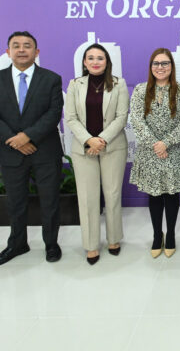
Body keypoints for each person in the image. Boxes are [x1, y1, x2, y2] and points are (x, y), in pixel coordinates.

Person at [0, 31, 64, 267]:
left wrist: (27, 136)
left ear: (36, 52)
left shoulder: (51, 78)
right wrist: (13, 139)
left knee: (50, 201)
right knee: (15, 202)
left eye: (27, 46)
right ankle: (17, 244)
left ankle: (51, 244)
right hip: (11, 151)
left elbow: (53, 113)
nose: (21, 50)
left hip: (45, 150)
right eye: (16, 45)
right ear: (8, 52)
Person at [64, 43, 129, 265]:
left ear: (107, 61)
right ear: (84, 62)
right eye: (90, 58)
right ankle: (91, 245)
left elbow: (122, 116)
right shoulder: (75, 84)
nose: (95, 62)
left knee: (112, 195)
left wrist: (101, 140)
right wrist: (88, 140)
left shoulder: (119, 84)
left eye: (100, 58)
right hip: (83, 149)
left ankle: (114, 239)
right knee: (88, 198)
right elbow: (70, 117)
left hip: (113, 146)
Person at [129, 48, 180, 258]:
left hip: (174, 150)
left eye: (165, 63)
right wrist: (156, 145)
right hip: (150, 152)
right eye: (156, 63)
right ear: (151, 67)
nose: (160, 67)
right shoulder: (140, 90)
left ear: (172, 66)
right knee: (154, 194)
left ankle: (171, 234)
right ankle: (158, 235)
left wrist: (165, 143)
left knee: (172, 194)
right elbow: (137, 121)